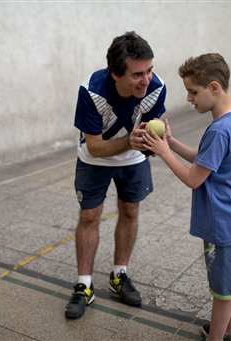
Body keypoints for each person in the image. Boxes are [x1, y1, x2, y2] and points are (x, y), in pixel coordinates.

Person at [143, 53, 231, 341]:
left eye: (193, 92)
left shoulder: (219, 131)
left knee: (222, 294)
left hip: (225, 226)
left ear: (214, 87)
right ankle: (229, 332)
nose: (188, 99)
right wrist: (172, 143)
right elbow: (205, 160)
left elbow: (194, 178)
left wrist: (163, 152)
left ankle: (216, 338)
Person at [65, 31, 167, 319]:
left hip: (133, 157)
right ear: (115, 73)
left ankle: (119, 275)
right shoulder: (91, 91)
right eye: (137, 74)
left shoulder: (157, 88)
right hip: (95, 159)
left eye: (149, 70)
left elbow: (151, 132)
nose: (146, 80)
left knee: (130, 210)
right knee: (89, 216)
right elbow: (95, 147)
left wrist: (154, 147)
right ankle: (84, 285)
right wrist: (129, 143)